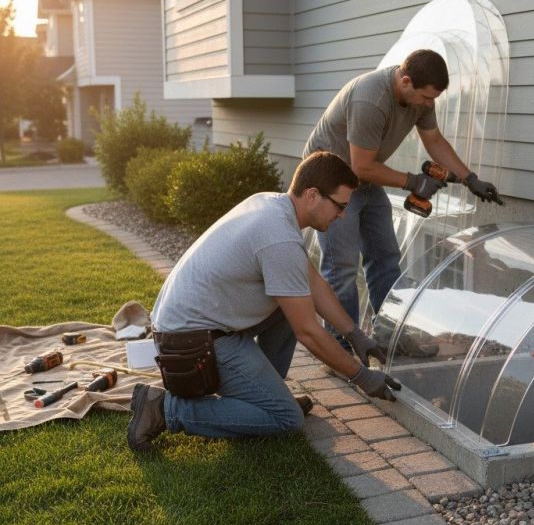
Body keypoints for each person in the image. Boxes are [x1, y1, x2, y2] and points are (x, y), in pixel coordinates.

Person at [127, 151, 400, 453]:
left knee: (293, 300)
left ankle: (263, 395)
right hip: (193, 344)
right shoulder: (279, 237)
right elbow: (308, 332)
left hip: (195, 328)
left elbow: (313, 284)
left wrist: (356, 336)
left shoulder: (272, 205)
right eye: (340, 205)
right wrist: (361, 377)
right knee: (286, 418)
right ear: (312, 195)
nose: (343, 215)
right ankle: (164, 409)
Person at [303, 48, 500, 342]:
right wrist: (414, 183)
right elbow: (362, 166)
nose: (429, 104)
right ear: (406, 81)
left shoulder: (420, 99)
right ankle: (343, 349)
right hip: (330, 183)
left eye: (434, 98)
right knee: (341, 267)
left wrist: (469, 178)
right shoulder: (371, 98)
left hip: (364, 178)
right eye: (426, 97)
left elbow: (434, 140)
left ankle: (390, 339)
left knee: (385, 257)